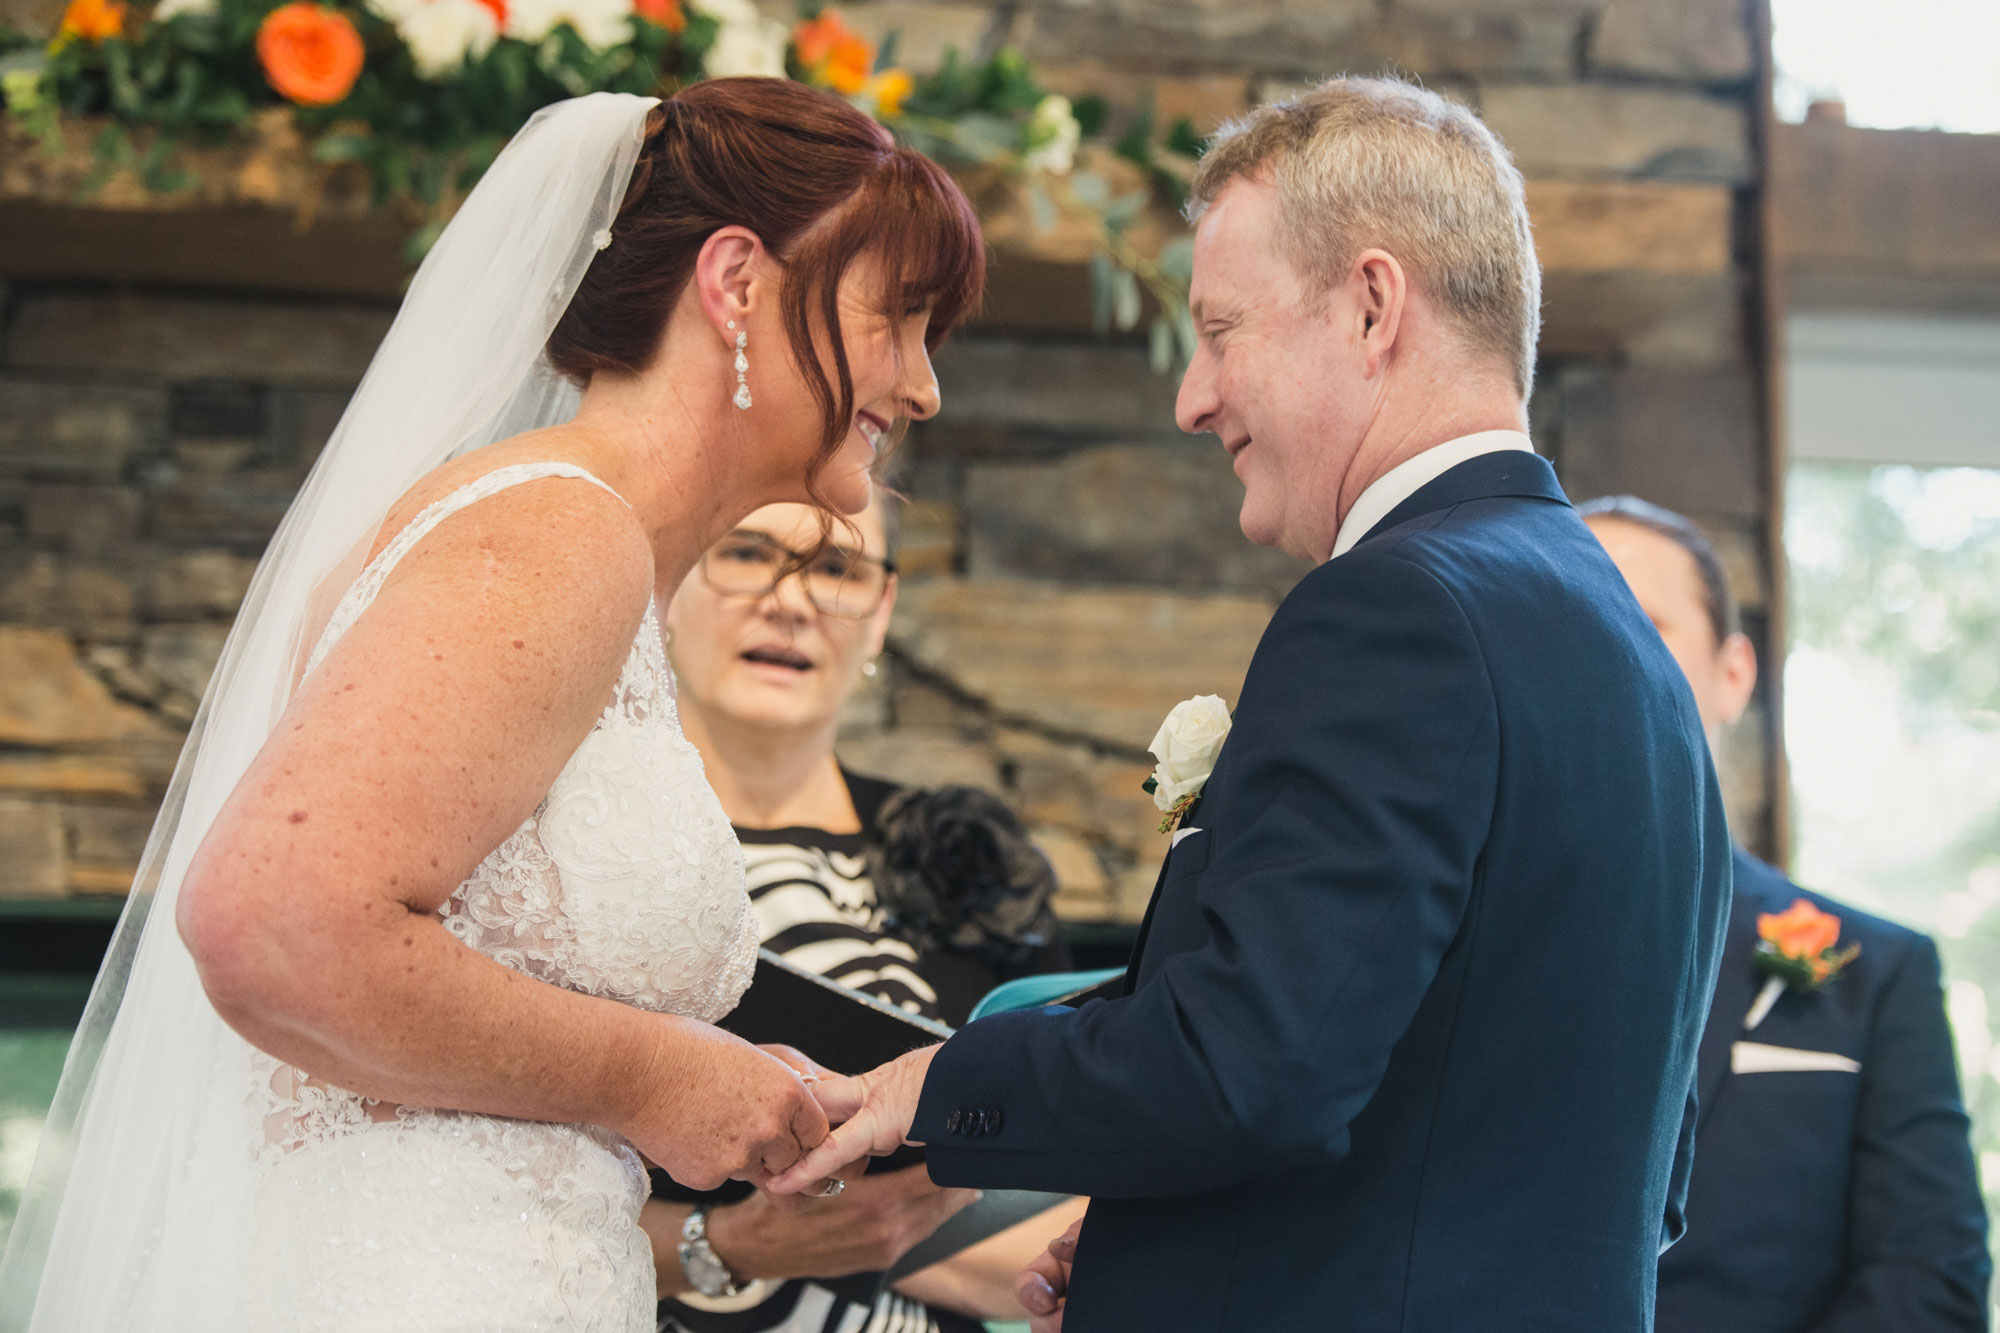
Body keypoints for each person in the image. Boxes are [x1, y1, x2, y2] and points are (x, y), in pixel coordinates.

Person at [0, 80, 983, 1331]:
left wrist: (724, 1080)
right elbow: (273, 927)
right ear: (735, 282)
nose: (922, 385)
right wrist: (651, 1072)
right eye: (898, 318)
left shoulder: (577, 544)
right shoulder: (557, 534)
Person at [771, 75, 1732, 1332]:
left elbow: (1252, 1067)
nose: (1190, 396)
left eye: (1219, 331)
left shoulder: (1403, 609)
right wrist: (1159, 1259)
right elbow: (1618, 1165)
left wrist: (936, 1083)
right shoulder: (1629, 654)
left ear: (1370, 306)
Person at [642, 492, 1088, 1331]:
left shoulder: (965, 853)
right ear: (673, 579)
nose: (792, 598)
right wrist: (731, 1241)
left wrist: (899, 1237)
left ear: (880, 612)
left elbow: (1075, 1151)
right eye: (746, 553)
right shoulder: (589, 861)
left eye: (838, 569)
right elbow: (506, 1191)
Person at [1581, 494, 1992, 1332]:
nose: (1601, 656)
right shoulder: (1429, 943)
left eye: (1644, 624)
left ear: (1734, 675)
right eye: (1571, 626)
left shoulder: (1878, 974)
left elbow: (1932, 1281)